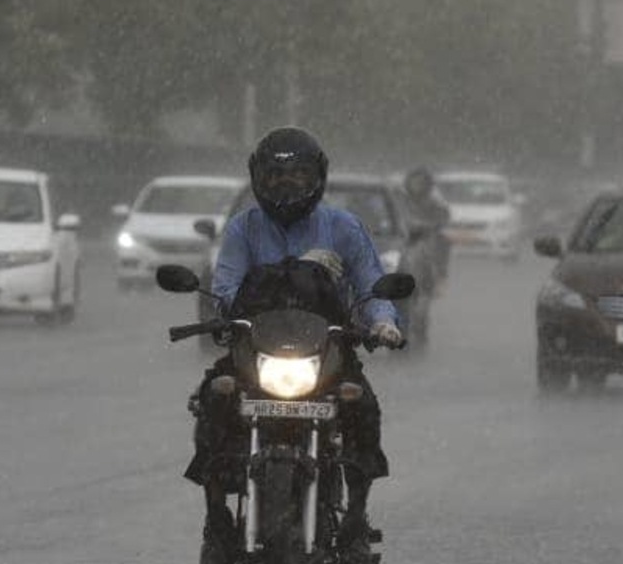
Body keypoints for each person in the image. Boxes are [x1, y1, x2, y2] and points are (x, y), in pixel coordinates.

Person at [187, 126, 403, 561]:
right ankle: (216, 518)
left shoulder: (344, 228)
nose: (286, 187)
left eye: (298, 177)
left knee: (362, 407)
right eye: (275, 177)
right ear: (258, 180)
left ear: (318, 179)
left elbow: (372, 287)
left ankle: (357, 517)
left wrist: (384, 324)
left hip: (327, 353)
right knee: (214, 399)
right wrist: (222, 316)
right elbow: (225, 286)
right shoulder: (242, 230)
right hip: (256, 352)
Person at [400, 166, 452, 292]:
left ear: (428, 184)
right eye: (415, 182)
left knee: (443, 240)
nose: (417, 186)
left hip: (426, 237)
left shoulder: (434, 202)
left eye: (421, 183)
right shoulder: (400, 199)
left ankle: (439, 276)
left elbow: (444, 216)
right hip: (402, 236)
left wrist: (428, 225)